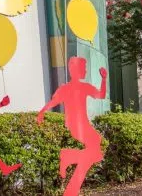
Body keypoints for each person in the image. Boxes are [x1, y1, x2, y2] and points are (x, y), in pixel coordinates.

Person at [37, 57, 107, 196]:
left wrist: (104, 79)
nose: (85, 71)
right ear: (75, 70)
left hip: (83, 125)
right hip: (76, 126)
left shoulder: (84, 87)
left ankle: (69, 162)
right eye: (84, 68)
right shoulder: (65, 88)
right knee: (95, 149)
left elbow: (101, 95)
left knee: (93, 155)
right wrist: (42, 112)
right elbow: (53, 102)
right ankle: (68, 158)